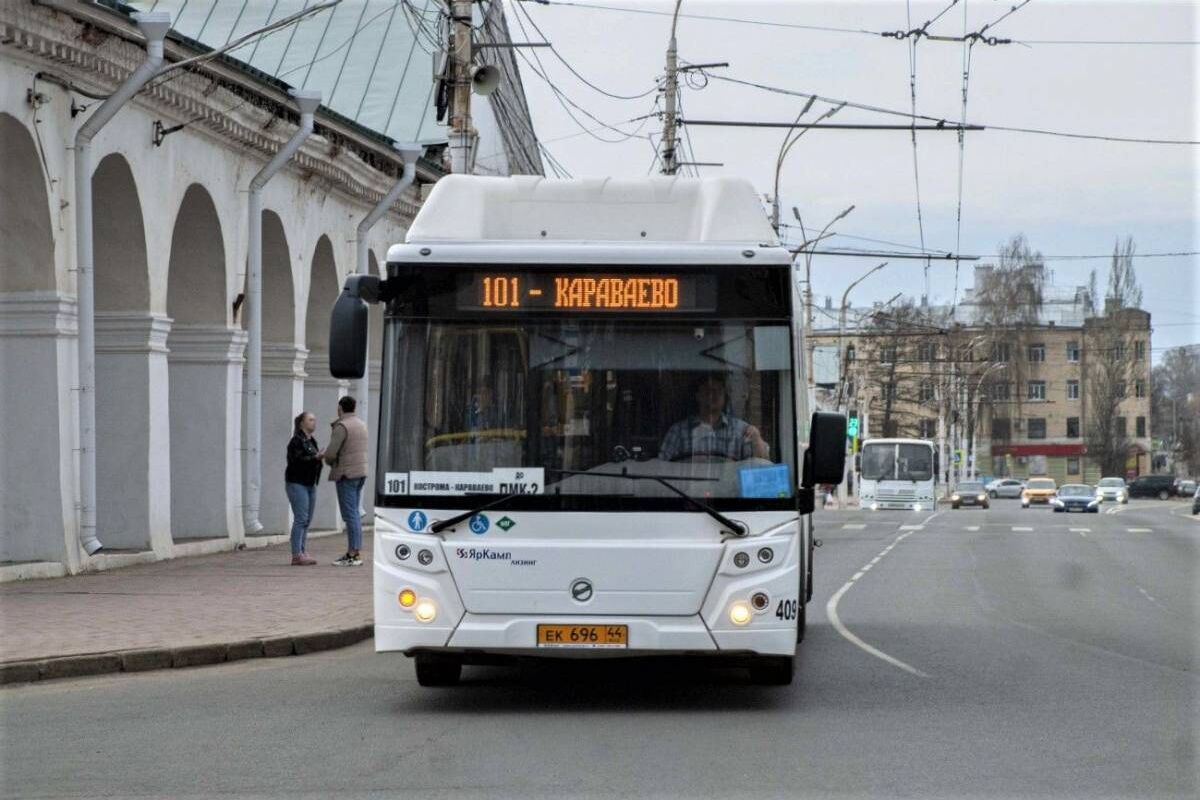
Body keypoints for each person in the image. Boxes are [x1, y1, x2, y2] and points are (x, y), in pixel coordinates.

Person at [658, 373, 769, 462]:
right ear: (698, 395)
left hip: (729, 489)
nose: (713, 395)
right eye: (708, 390)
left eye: (719, 391)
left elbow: (760, 466)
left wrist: (756, 438)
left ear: (725, 395)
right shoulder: (678, 431)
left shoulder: (741, 430)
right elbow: (662, 468)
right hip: (686, 490)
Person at [324, 396, 369, 566]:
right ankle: (354, 551)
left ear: (340, 408)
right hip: (360, 473)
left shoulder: (342, 426)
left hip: (346, 474)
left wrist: (327, 460)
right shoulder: (361, 424)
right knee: (354, 513)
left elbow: (331, 453)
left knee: (350, 514)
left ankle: (353, 553)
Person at [284, 412, 323, 566]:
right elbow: (296, 461)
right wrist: (315, 458)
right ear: (301, 423)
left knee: (307, 519)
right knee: (301, 518)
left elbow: (314, 460)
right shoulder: (296, 441)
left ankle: (302, 550)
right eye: (311, 420)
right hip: (296, 483)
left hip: (309, 483)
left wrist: (318, 458)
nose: (314, 422)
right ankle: (296, 554)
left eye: (315, 419)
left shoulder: (312, 441)